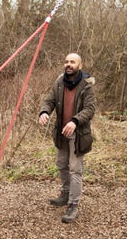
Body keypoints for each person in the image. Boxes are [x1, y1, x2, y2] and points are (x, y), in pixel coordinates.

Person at [38, 52, 96, 223]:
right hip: (61, 133)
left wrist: (75, 121)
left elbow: (90, 109)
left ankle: (73, 204)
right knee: (62, 165)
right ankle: (65, 193)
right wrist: (44, 112)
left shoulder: (87, 85)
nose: (68, 64)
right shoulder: (59, 82)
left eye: (72, 62)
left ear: (80, 65)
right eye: (66, 62)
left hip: (78, 134)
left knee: (75, 169)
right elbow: (49, 100)